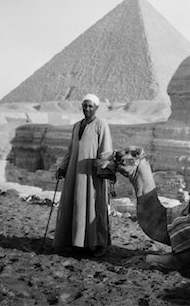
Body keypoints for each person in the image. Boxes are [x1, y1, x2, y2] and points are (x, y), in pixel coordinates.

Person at [53, 93, 113, 257]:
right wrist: (63, 167)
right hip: (74, 173)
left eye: (90, 106)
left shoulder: (101, 125)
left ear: (96, 108)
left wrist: (102, 169)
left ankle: (97, 244)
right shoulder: (77, 125)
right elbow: (71, 150)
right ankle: (77, 242)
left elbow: (106, 151)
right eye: (85, 106)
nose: (87, 109)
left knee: (94, 208)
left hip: (91, 174)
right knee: (75, 205)